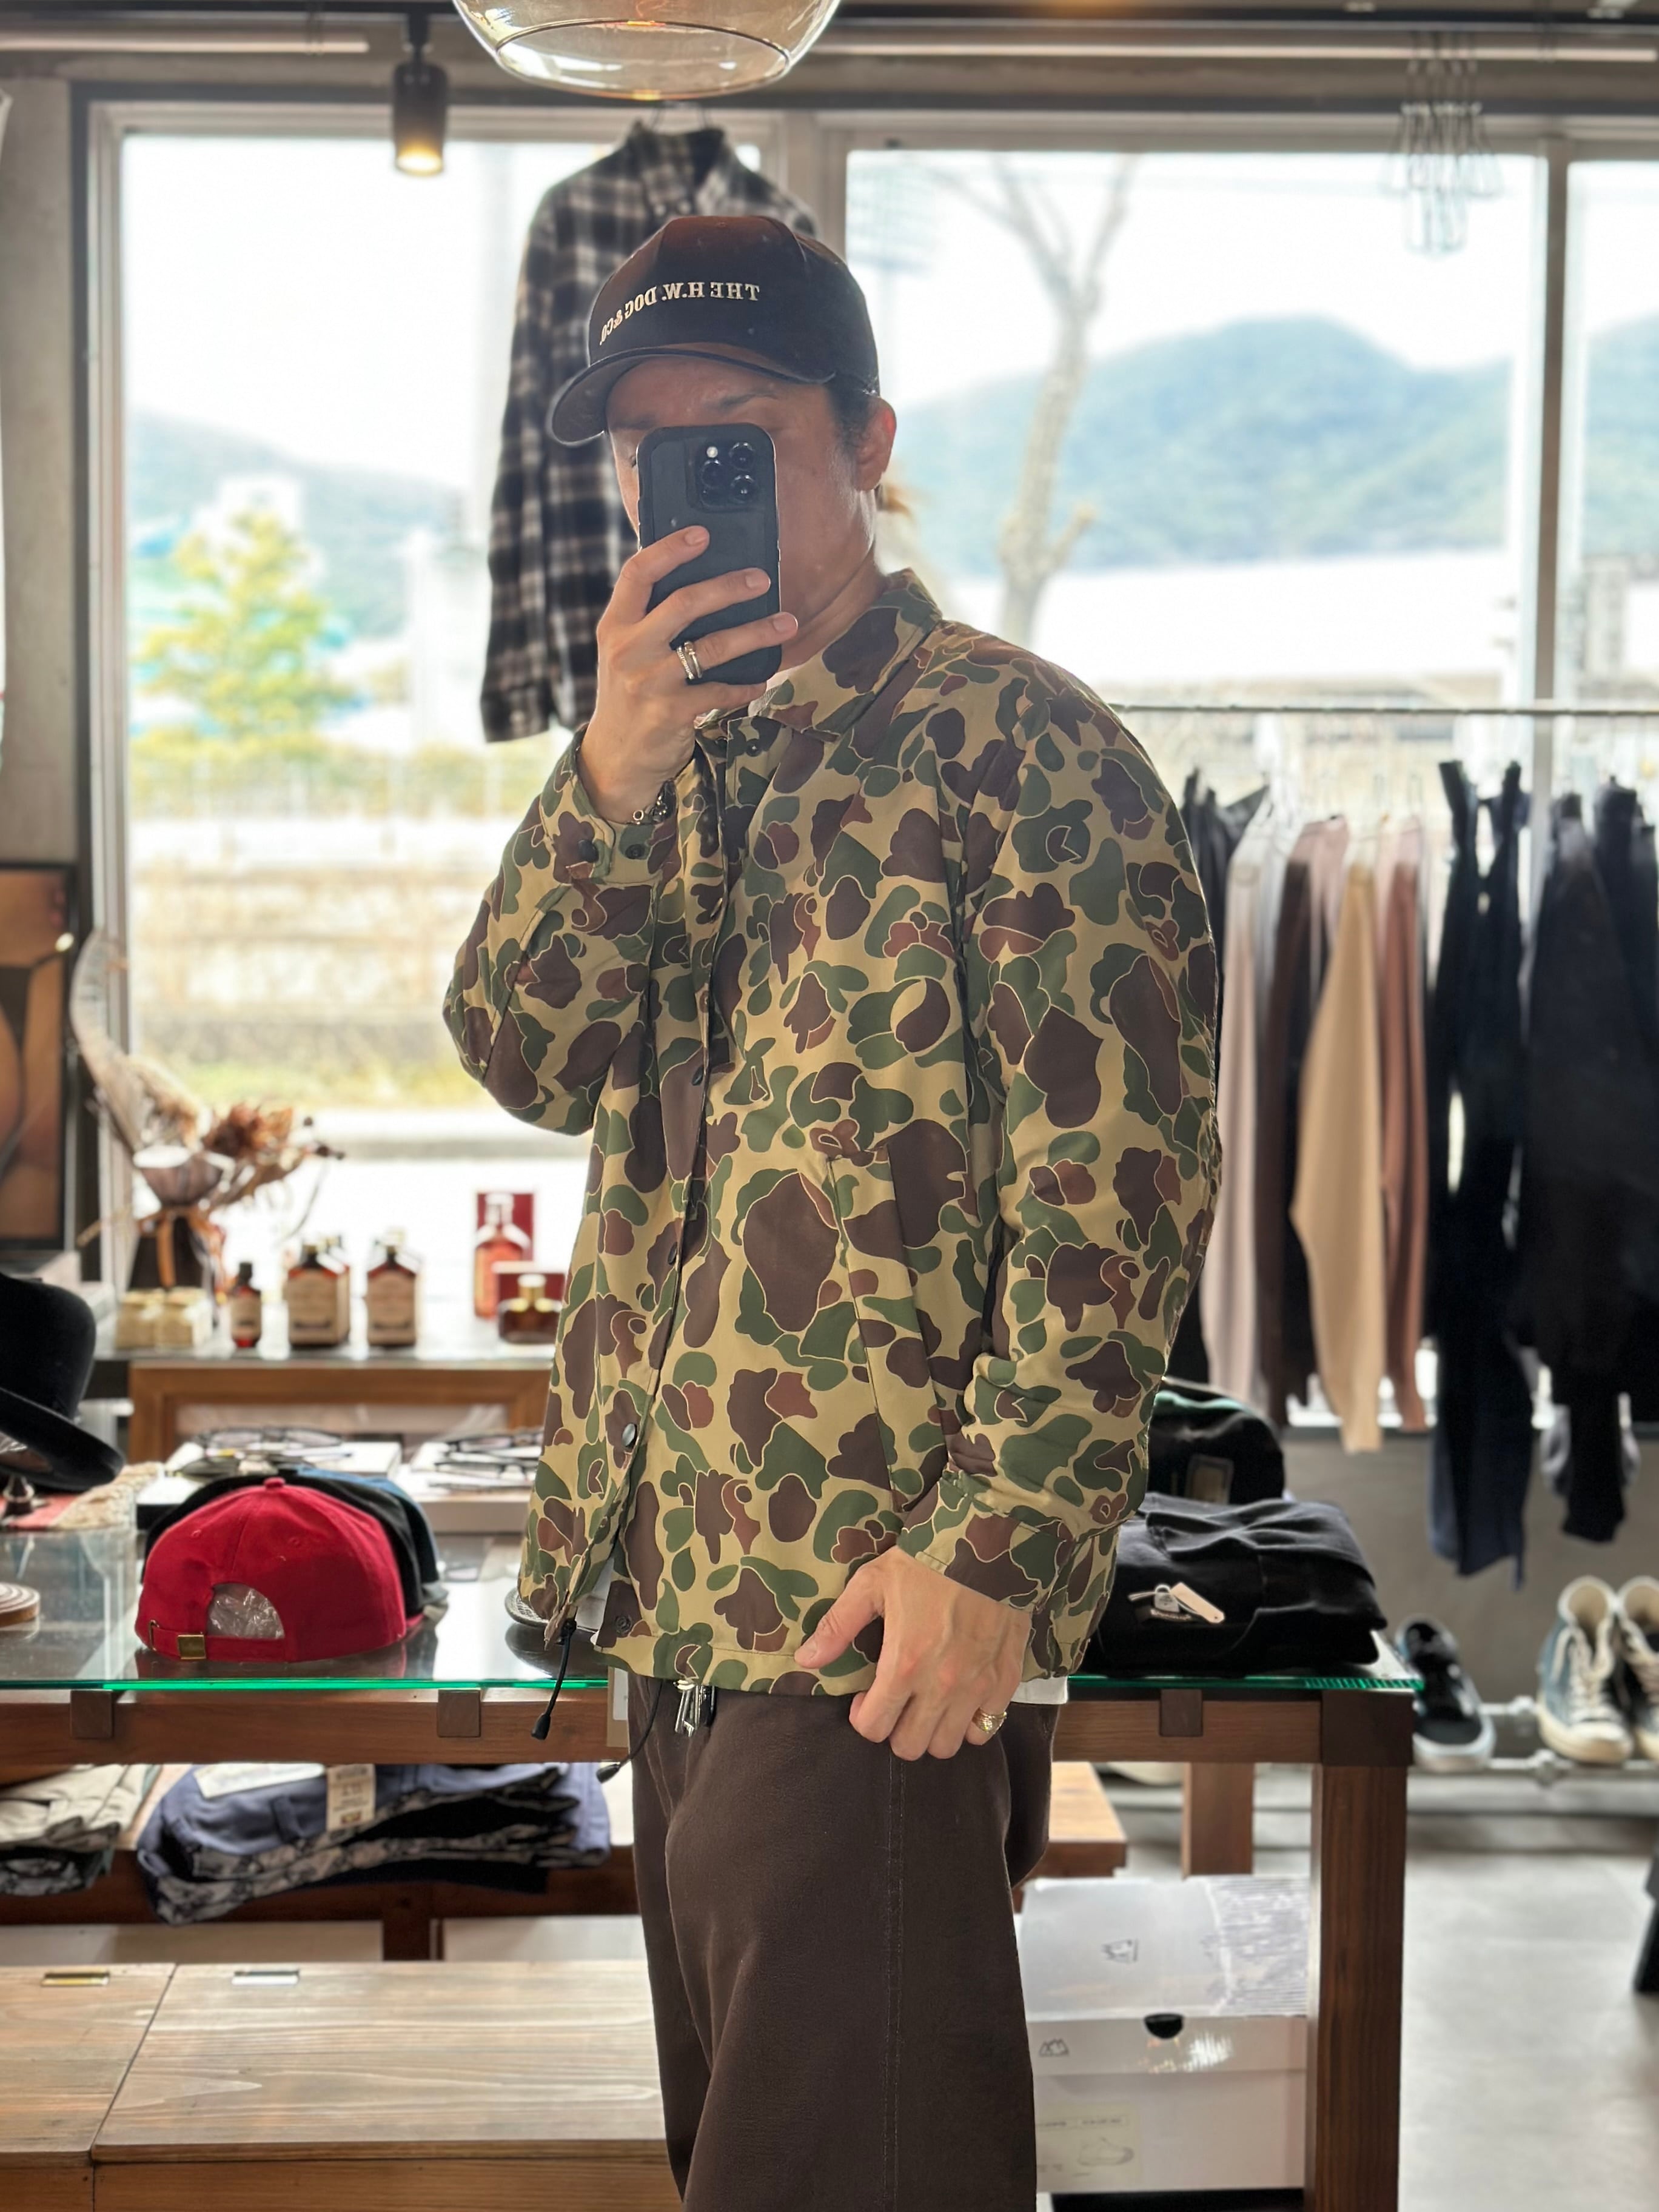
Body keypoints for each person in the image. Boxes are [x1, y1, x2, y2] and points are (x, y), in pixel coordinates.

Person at [446, 213, 1218, 2212]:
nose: (680, 485)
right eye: (648, 453)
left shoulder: (1026, 754)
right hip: (672, 1622)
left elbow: (1118, 1207)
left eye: (738, 435)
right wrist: (612, 772)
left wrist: (995, 1552)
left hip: (873, 1633)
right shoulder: (673, 762)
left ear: (867, 441)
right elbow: (520, 1050)